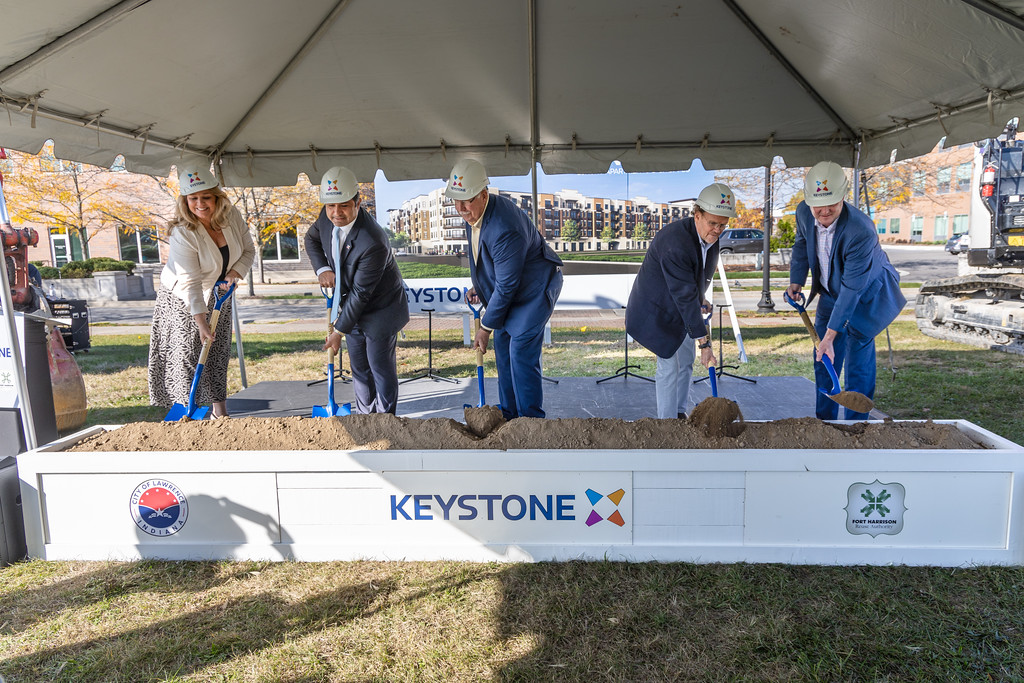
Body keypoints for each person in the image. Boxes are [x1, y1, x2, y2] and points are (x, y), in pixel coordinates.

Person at [786, 161, 906, 420]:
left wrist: (831, 335)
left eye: (833, 203)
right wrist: (797, 280)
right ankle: (826, 421)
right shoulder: (804, 213)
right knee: (824, 357)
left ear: (843, 197)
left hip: (866, 296)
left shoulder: (860, 229)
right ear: (808, 200)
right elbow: (801, 243)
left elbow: (852, 289)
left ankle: (855, 426)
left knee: (857, 359)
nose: (826, 210)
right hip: (831, 293)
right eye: (819, 204)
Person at [445, 159, 563, 420]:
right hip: (514, 286)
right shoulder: (474, 212)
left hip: (535, 289)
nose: (461, 208)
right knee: (503, 346)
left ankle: (530, 422)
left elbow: (508, 284)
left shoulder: (504, 227)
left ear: (484, 195)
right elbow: (484, 257)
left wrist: (485, 328)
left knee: (520, 351)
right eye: (456, 201)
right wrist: (480, 286)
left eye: (466, 201)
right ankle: (509, 415)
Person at [149, 164, 254, 418]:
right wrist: (201, 321)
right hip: (183, 300)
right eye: (193, 198)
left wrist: (233, 274)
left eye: (206, 197)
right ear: (185, 201)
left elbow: (248, 251)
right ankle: (188, 413)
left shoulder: (232, 217)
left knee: (217, 353)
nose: (200, 204)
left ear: (217, 198)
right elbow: (190, 282)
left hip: (221, 292)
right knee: (187, 356)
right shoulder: (183, 232)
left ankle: (221, 412)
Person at [304, 166, 409, 414]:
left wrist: (338, 330)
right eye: (331, 206)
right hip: (352, 306)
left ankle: (385, 418)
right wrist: (322, 269)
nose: (336, 213)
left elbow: (362, 293)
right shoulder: (326, 216)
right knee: (359, 367)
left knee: (378, 365)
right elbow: (311, 239)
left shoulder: (372, 241)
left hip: (381, 309)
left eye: (344, 206)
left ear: (358, 202)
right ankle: (365, 416)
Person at [625, 183, 735, 419]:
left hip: (682, 307)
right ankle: (667, 424)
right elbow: (683, 295)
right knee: (668, 365)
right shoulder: (675, 243)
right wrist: (705, 345)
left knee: (685, 360)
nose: (717, 230)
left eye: (723, 224)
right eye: (712, 223)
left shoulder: (709, 237)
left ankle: (678, 412)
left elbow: (694, 277)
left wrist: (701, 297)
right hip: (656, 311)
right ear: (698, 215)